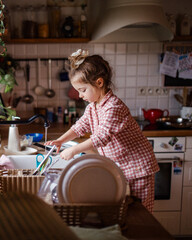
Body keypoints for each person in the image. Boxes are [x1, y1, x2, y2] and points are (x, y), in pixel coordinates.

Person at [45, 49, 159, 212]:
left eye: (82, 90)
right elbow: (80, 126)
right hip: (120, 166)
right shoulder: (93, 106)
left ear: (99, 83)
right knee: (124, 210)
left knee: (141, 212)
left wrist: (73, 150)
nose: (79, 95)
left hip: (138, 167)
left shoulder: (114, 107)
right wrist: (61, 140)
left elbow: (101, 137)